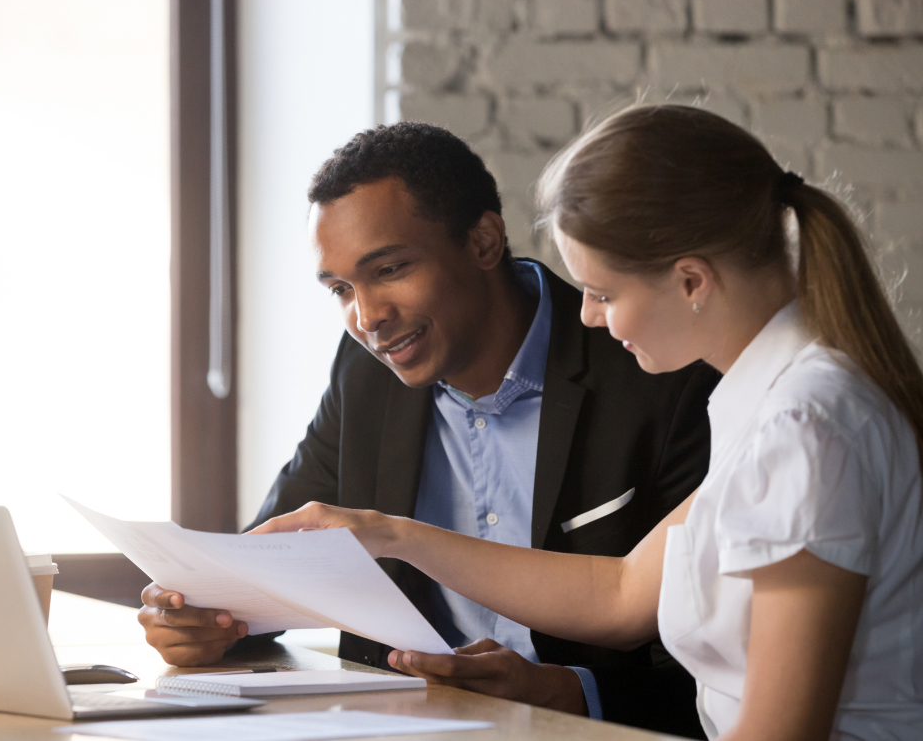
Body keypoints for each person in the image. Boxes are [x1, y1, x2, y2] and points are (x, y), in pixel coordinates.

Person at [251, 105, 923, 741]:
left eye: (603, 293)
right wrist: (390, 533)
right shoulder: (775, 402)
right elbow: (622, 591)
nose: (587, 318)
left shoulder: (803, 427)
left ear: (691, 281)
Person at [137, 123, 719, 736]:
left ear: (485, 241)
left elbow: (722, 667)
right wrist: (204, 618)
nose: (367, 318)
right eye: (340, 289)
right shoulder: (364, 376)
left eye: (388, 269)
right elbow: (274, 560)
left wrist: (571, 691)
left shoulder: (660, 377)